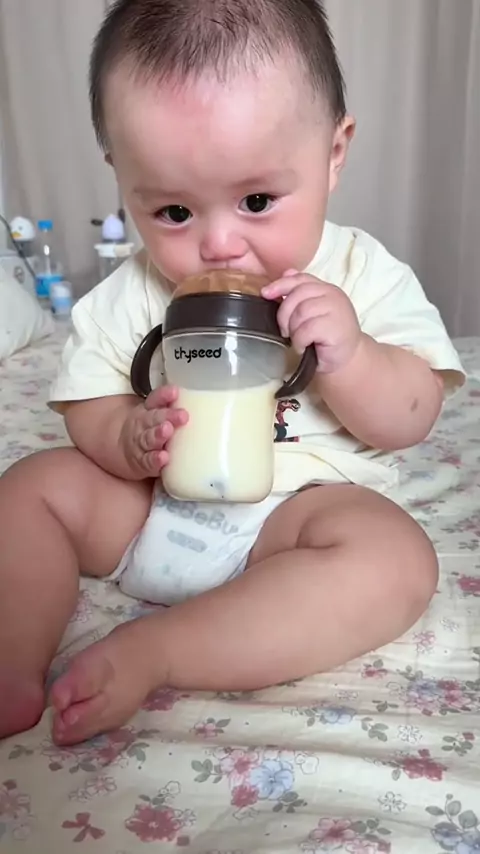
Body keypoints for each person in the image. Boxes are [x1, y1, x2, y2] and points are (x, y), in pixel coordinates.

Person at [0, 0, 464, 747]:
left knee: (395, 559)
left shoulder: (364, 275)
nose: (219, 244)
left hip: (289, 523)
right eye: (174, 212)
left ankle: (160, 651)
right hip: (150, 505)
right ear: (124, 179)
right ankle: (12, 658)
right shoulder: (131, 291)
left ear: (333, 153)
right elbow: (88, 401)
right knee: (30, 487)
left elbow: (412, 414)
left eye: (256, 201)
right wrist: (126, 436)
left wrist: (352, 355)